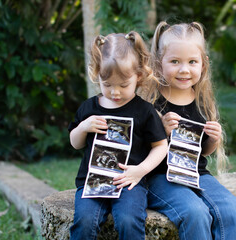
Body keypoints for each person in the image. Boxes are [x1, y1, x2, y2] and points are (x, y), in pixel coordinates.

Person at [142, 21, 236, 240]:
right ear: (159, 63)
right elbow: (137, 149)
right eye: (175, 61)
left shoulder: (202, 102)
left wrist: (213, 141)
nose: (184, 69)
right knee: (195, 213)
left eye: (192, 62)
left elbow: (203, 151)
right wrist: (160, 131)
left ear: (203, 65)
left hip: (196, 173)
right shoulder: (150, 103)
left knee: (231, 209)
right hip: (160, 177)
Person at [68, 31, 168, 240]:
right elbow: (75, 143)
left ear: (138, 77)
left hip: (129, 183)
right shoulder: (89, 108)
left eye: (123, 85)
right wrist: (83, 127)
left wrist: (140, 170)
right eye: (107, 85)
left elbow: (161, 146)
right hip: (92, 182)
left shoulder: (144, 111)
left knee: (129, 220)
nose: (115, 92)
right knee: (84, 221)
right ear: (97, 75)